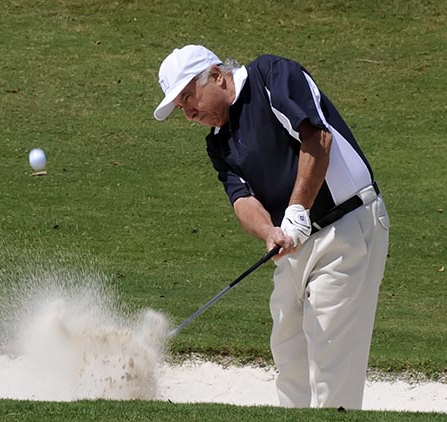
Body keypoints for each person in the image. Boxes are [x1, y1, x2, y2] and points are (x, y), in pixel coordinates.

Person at [153, 45, 389, 409]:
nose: (189, 113)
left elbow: (317, 136)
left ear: (216, 75)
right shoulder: (218, 143)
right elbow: (242, 200)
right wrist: (269, 232)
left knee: (330, 359)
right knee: (289, 356)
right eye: (181, 108)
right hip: (294, 244)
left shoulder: (269, 76)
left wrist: (297, 210)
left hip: (346, 227)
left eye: (188, 98)